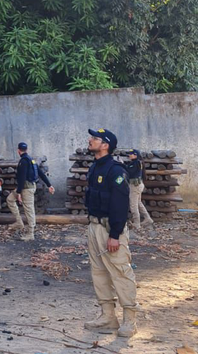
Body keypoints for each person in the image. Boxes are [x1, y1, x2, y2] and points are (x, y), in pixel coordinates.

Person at [83, 128, 138, 338]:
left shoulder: (116, 170)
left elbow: (120, 204)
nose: (90, 140)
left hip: (110, 230)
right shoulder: (94, 167)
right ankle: (108, 316)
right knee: (99, 272)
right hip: (94, 227)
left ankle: (130, 320)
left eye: (95, 138)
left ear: (105, 145)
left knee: (121, 273)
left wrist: (115, 234)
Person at [5, 142, 54, 241]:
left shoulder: (23, 162)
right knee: (10, 199)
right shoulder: (31, 160)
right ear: (26, 150)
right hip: (27, 187)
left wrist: (18, 192)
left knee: (29, 210)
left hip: (26, 189)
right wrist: (49, 185)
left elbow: (22, 178)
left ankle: (30, 234)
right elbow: (41, 173)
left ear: (18, 150)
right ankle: (19, 222)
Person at [125, 149, 154, 231]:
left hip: (135, 186)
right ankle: (148, 218)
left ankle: (136, 223)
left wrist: (122, 165)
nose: (129, 156)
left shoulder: (136, 163)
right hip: (137, 185)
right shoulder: (136, 163)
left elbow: (130, 172)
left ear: (135, 155)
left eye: (131, 154)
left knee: (133, 205)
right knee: (138, 203)